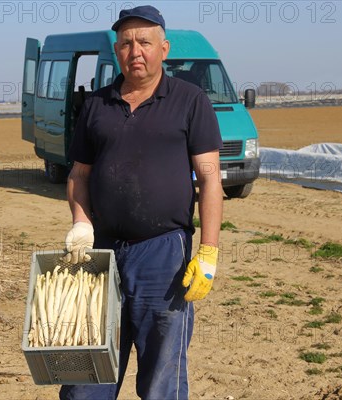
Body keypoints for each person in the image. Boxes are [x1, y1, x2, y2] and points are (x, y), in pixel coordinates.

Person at [61, 5, 223, 399]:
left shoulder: (189, 100)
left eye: (145, 42)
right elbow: (78, 175)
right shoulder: (97, 105)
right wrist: (81, 222)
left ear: (163, 48)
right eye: (126, 43)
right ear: (116, 51)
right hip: (102, 254)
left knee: (161, 376)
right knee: (89, 368)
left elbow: (209, 177)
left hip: (164, 255)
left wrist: (209, 251)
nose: (135, 51)